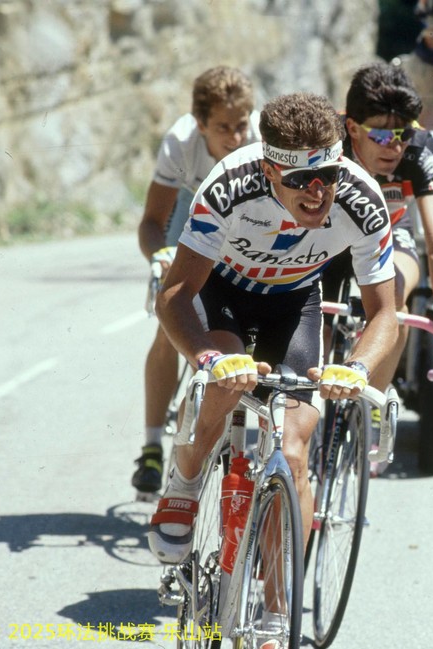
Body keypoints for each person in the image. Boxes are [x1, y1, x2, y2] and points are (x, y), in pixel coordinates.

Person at [148, 93, 398, 572]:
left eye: (329, 176)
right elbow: (174, 295)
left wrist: (358, 368)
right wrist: (207, 360)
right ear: (268, 172)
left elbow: (385, 312)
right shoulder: (229, 187)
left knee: (294, 450)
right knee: (225, 378)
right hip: (222, 289)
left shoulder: (362, 200)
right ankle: (186, 477)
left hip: (294, 299)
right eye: (301, 180)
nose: (318, 192)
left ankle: (274, 613)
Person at [320, 61, 433, 471]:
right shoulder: (328, 142)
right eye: (382, 134)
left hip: (386, 238)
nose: (394, 146)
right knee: (317, 318)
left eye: (401, 134)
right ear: (351, 128)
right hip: (325, 242)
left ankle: (371, 404)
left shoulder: (418, 146)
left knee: (395, 297)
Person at [132, 66, 260, 498]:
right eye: (223, 127)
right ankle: (151, 447)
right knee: (171, 325)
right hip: (192, 210)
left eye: (241, 125)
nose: (235, 137)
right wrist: (162, 258)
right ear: (200, 123)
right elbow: (151, 222)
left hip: (243, 219)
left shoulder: (260, 141)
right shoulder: (180, 143)